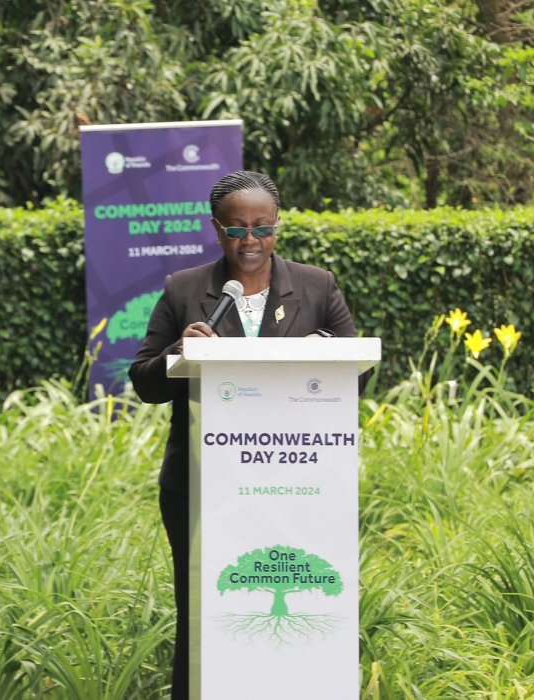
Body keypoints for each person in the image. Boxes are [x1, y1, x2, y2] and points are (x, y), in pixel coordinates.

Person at [128, 171, 368, 700]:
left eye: (263, 228)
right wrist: (179, 353)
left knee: (298, 601)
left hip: (300, 484)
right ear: (217, 230)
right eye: (236, 229)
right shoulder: (185, 290)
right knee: (205, 607)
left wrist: (319, 349)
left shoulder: (316, 285)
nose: (251, 241)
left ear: (277, 228)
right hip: (201, 486)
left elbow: (361, 374)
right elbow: (144, 382)